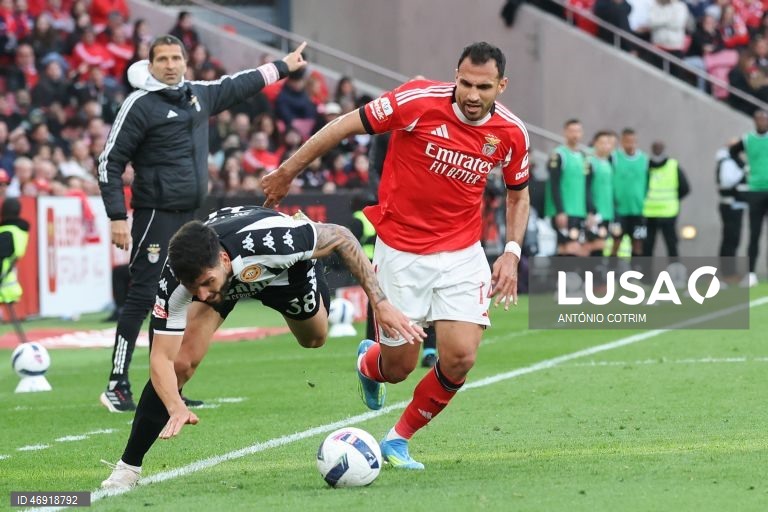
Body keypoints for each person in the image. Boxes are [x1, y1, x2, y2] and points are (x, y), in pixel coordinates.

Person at [262, 42, 530, 469]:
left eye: (483, 86)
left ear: (502, 85)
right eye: (465, 83)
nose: (472, 95)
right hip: (401, 252)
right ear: (454, 76)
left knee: (460, 356)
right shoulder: (418, 100)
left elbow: (519, 195)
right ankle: (370, 365)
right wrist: (288, 171)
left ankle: (398, 438)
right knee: (399, 366)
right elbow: (342, 126)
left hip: (463, 253)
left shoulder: (512, 133)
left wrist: (512, 251)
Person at [100, 206, 422, 489]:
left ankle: (364, 357)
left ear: (224, 260)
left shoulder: (277, 241)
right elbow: (160, 358)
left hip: (282, 274)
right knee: (181, 363)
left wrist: (378, 303)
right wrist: (175, 405)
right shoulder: (179, 278)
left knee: (315, 338)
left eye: (205, 283)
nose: (199, 294)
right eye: (192, 288)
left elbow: (342, 236)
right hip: (229, 284)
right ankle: (128, 466)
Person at [97, 35, 309, 413]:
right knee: (145, 296)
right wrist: (116, 216)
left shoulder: (197, 94)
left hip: (192, 218)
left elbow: (236, 85)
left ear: (185, 60)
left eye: (176, 57)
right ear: (150, 65)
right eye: (161, 58)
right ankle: (117, 384)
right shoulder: (139, 104)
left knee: (188, 298)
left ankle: (168, 387)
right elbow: (109, 162)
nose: (170, 65)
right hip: (155, 214)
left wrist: (282, 66)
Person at [729, 109, 768, 286]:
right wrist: (744, 167)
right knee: (754, 233)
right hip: (755, 190)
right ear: (754, 121)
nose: (762, 122)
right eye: (759, 119)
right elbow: (732, 152)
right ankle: (751, 273)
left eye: (764, 119)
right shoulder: (747, 139)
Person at [544, 119, 593, 256]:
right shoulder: (558, 154)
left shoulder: (584, 157)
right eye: (572, 131)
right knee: (569, 247)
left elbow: (586, 187)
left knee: (581, 248)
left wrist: (589, 210)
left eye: (577, 131)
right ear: (565, 132)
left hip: (579, 210)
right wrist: (560, 211)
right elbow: (554, 184)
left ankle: (570, 276)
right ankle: (561, 276)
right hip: (564, 211)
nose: (575, 134)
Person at [642, 141, 690, 257]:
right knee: (647, 245)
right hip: (650, 213)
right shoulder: (645, 166)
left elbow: (685, 188)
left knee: (671, 243)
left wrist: (673, 199)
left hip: (667, 212)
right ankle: (645, 273)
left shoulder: (672, 165)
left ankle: (675, 271)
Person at [612, 128, 649, 258]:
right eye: (627, 141)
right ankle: (613, 272)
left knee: (638, 243)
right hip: (619, 210)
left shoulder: (644, 159)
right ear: (622, 142)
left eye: (633, 141)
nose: (630, 144)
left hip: (638, 210)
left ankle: (635, 274)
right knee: (616, 241)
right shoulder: (614, 157)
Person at [715, 141, 747, 279]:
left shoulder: (733, 160)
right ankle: (728, 272)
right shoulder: (727, 161)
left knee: (734, 239)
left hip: (737, 204)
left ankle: (730, 271)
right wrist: (744, 171)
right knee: (730, 239)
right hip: (730, 205)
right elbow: (727, 181)